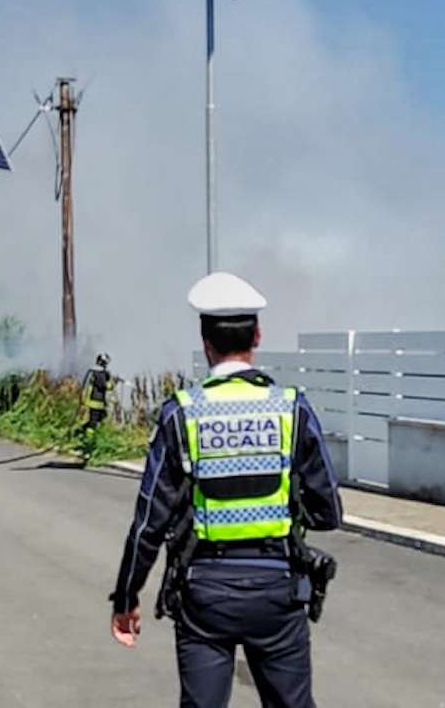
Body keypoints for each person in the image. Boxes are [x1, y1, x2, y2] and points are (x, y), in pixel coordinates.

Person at [109, 271, 343, 708]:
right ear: (257, 335)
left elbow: (148, 522)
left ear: (205, 341)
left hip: (204, 593)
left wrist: (127, 595)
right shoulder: (292, 408)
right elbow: (328, 510)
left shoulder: (182, 414)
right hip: (277, 590)